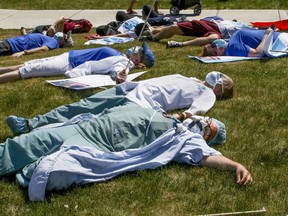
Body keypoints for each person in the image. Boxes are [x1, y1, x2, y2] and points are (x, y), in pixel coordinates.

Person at [0, 104, 252, 201]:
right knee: (23, 144)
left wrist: (236, 165)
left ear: (206, 138)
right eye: (207, 119)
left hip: (96, 143)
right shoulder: (169, 116)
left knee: (49, 170)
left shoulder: (184, 139)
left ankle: (29, 169)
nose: (205, 122)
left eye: (209, 128)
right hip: (86, 126)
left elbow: (206, 157)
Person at [6, 72, 234, 138]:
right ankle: (30, 124)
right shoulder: (191, 78)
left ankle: (33, 136)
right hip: (128, 89)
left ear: (219, 90)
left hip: (140, 103)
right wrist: (128, 81)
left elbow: (195, 110)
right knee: (81, 106)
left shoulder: (208, 93)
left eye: (223, 81)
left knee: (86, 123)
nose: (219, 76)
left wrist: (181, 117)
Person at [0, 42, 155, 84]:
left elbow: (120, 70)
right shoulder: (122, 56)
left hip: (67, 64)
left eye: (140, 52)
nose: (137, 49)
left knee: (28, 71)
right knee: (27, 64)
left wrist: (120, 75)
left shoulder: (124, 62)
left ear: (137, 60)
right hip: (69, 55)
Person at [138, 17, 252, 47]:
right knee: (173, 27)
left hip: (220, 33)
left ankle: (180, 44)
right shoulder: (240, 24)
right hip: (211, 24)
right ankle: (153, 38)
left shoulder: (249, 32)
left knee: (213, 39)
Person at [199, 28, 281, 57]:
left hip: (278, 37)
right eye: (215, 51)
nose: (216, 45)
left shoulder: (229, 42)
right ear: (219, 54)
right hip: (280, 41)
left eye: (212, 44)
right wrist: (266, 34)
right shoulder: (233, 48)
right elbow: (258, 53)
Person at [0, 31, 73, 57]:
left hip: (11, 46)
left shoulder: (54, 42)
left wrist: (23, 52)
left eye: (65, 36)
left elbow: (43, 49)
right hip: (9, 42)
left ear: (62, 42)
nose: (64, 34)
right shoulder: (49, 38)